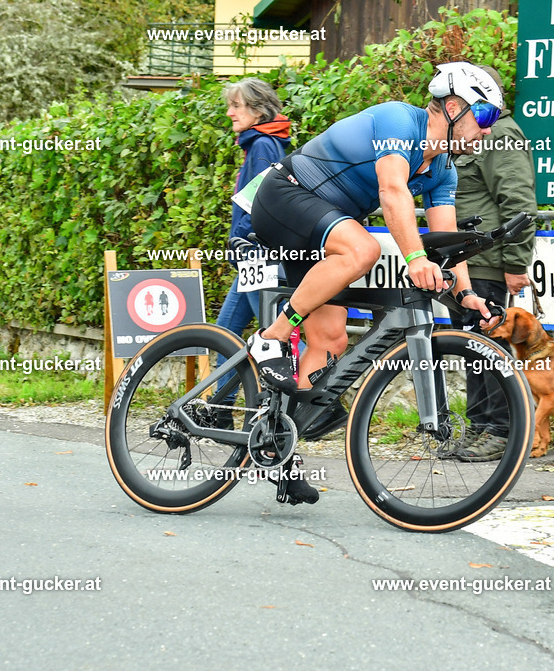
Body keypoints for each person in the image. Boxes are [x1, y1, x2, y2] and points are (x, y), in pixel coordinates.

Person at [246, 62, 506, 504]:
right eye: (483, 119)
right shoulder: (398, 122)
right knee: (362, 250)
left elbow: (447, 241)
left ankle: (275, 446)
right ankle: (270, 338)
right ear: (453, 106)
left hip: (323, 225)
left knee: (329, 342)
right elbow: (391, 192)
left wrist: (466, 294)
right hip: (286, 197)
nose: (486, 131)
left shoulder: (443, 169)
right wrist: (415, 258)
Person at [448, 66, 537, 463]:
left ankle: (501, 431)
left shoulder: (500, 133)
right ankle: (481, 428)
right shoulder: (468, 133)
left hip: (487, 262)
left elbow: (518, 203)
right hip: (466, 262)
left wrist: (516, 263)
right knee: (473, 351)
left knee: (489, 351)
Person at [215, 77, 292, 344]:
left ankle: (312, 380)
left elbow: (260, 202)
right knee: (225, 332)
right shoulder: (265, 142)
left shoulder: (262, 144)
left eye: (236, 105)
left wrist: (239, 239)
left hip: (256, 254)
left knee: (275, 330)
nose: (229, 113)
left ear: (258, 110)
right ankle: (221, 388)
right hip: (254, 255)